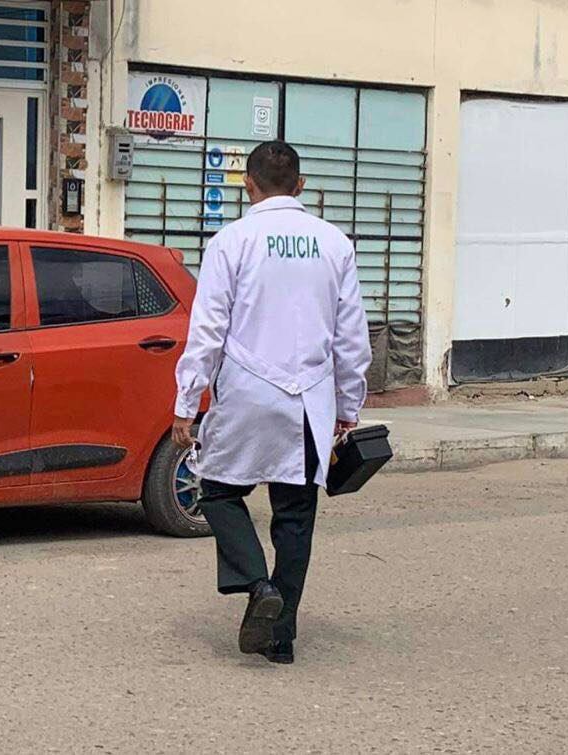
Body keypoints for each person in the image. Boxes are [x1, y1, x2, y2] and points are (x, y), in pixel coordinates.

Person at [171, 141, 371, 665]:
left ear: (248, 186)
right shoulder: (335, 244)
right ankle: (281, 638)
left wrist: (186, 404)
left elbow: (207, 330)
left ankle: (258, 586)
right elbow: (351, 340)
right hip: (309, 401)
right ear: (300, 186)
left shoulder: (231, 241)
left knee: (217, 492)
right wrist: (348, 406)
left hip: (246, 393)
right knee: (296, 517)